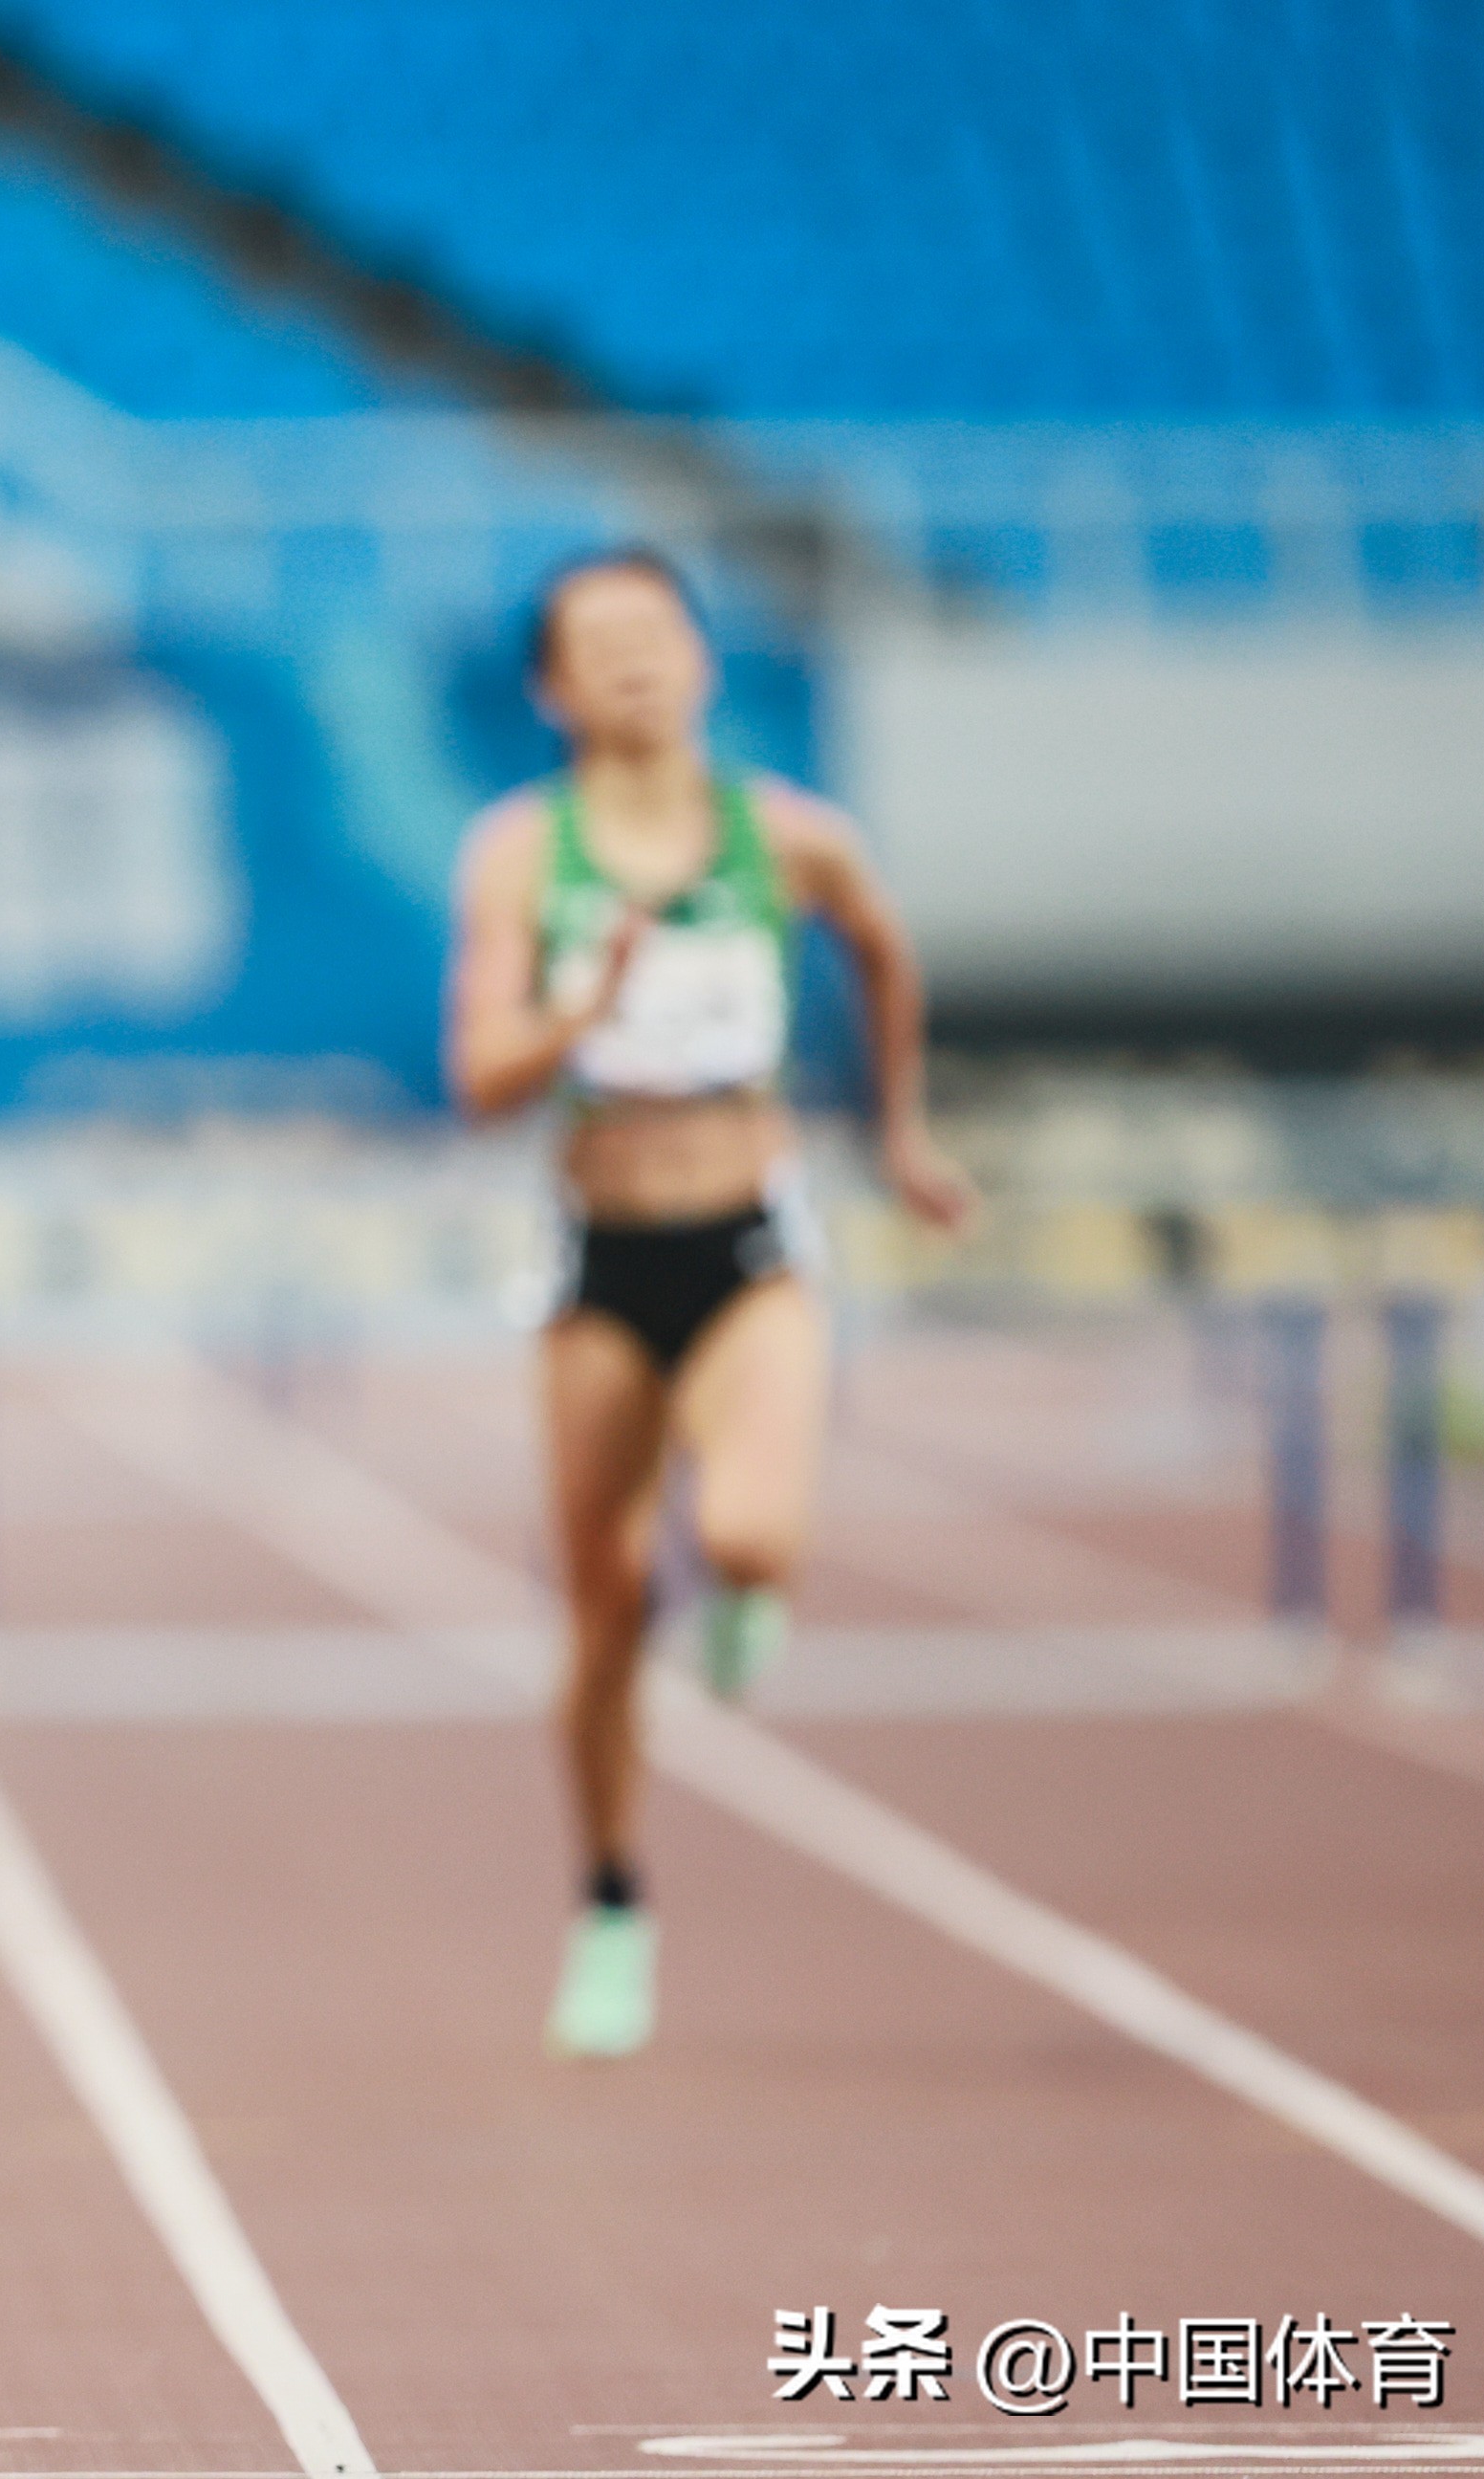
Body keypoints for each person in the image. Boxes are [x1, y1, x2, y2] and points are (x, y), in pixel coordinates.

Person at [447, 546, 973, 2060]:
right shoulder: (519, 853)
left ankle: (749, 1588)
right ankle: (612, 1901)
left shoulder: (789, 838)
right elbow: (480, 1079)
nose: (632, 662)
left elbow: (883, 949)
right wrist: (579, 1011)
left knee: (744, 1531)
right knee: (605, 1604)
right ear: (551, 688)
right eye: (597, 643)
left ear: (703, 663)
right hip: (598, 1261)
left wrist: (902, 1132)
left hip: (749, 1242)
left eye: (656, 634)